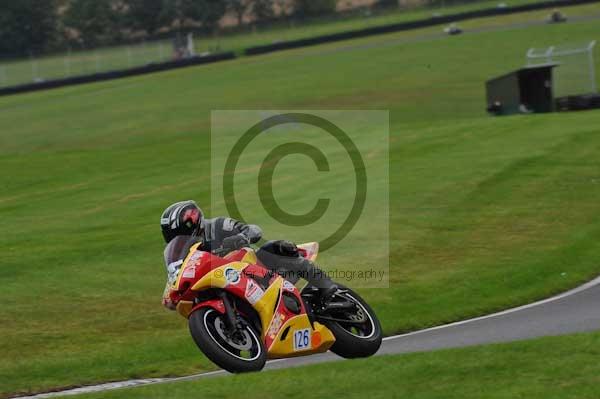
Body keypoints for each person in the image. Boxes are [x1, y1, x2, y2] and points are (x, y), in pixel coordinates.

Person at [160, 200, 337, 310]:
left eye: (179, 233)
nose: (176, 239)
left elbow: (253, 229)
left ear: (191, 223)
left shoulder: (218, 225)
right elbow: (175, 275)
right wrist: (170, 295)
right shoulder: (183, 253)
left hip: (249, 267)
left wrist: (240, 237)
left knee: (275, 247)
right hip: (219, 284)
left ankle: (327, 288)